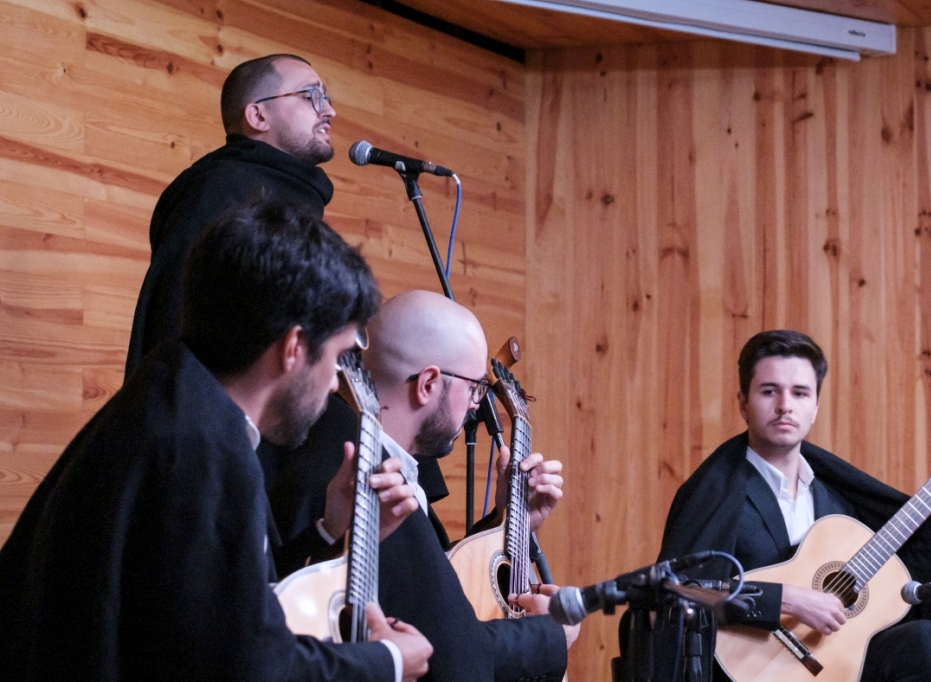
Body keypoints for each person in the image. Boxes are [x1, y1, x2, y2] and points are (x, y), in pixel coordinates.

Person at [0, 202, 432, 682]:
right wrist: (389, 661)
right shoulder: (202, 448)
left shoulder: (171, 396)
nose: (334, 384)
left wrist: (329, 529)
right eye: (336, 357)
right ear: (293, 347)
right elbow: (246, 668)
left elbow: (212, 610)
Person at [270, 289, 576, 681]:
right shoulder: (364, 475)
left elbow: (432, 594)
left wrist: (507, 522)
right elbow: (455, 655)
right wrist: (553, 634)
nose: (475, 405)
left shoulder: (351, 451)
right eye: (475, 388)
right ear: (428, 383)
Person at [657, 330, 931, 682]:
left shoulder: (834, 499)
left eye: (800, 393)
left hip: (829, 669)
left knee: (927, 642)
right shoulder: (714, 492)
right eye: (769, 391)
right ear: (743, 403)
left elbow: (894, 586)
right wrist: (786, 600)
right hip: (747, 673)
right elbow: (677, 590)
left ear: (815, 406)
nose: (785, 405)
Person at [127, 53, 338, 372]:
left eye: (326, 97)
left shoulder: (292, 196)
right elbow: (179, 319)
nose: (329, 111)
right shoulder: (220, 190)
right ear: (258, 116)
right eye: (311, 96)